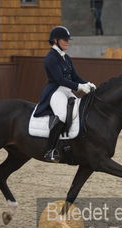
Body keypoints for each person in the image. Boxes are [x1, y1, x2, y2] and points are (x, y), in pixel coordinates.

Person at [33, 26, 96, 162]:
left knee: (80, 111)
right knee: (61, 115)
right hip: (55, 91)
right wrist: (79, 87)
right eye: (64, 39)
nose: (68, 42)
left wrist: (88, 84)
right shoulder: (51, 58)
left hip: (67, 90)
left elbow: (75, 76)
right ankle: (50, 150)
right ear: (55, 40)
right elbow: (59, 79)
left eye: (68, 39)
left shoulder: (66, 57)